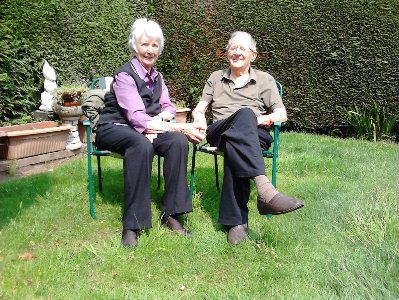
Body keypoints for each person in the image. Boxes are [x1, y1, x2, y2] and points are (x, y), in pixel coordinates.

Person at [95, 18, 205, 247]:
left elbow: (169, 107)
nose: (150, 50)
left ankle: (172, 214)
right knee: (141, 144)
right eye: (145, 44)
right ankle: (133, 223)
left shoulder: (158, 77)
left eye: (155, 45)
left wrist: (160, 120)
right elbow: (136, 118)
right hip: (115, 127)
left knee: (177, 142)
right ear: (135, 46)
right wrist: (182, 126)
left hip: (147, 127)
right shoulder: (125, 76)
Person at [192, 31, 304, 245]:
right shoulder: (215, 77)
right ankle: (266, 192)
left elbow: (281, 114)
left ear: (253, 55)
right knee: (244, 115)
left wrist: (259, 120)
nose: (237, 52)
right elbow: (200, 109)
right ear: (227, 53)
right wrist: (199, 118)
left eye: (242, 48)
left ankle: (236, 223)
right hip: (220, 131)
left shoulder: (264, 79)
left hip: (253, 132)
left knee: (241, 133)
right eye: (233, 48)